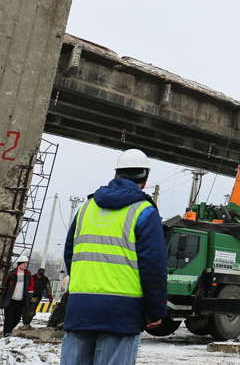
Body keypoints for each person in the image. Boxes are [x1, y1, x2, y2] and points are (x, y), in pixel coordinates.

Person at [60, 149, 168, 365]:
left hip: (80, 310)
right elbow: (153, 266)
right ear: (145, 180)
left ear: (116, 175)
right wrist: (155, 310)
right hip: (121, 315)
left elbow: (70, 254)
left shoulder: (85, 209)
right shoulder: (144, 211)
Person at [1, 254, 33, 336]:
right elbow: (5, 286)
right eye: (23, 263)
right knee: (8, 318)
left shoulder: (28, 275)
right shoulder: (11, 274)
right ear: (19, 264)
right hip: (11, 300)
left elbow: (30, 287)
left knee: (17, 319)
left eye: (26, 263)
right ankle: (6, 333)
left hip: (21, 301)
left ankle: (9, 331)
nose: (25, 265)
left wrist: (28, 298)